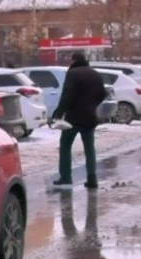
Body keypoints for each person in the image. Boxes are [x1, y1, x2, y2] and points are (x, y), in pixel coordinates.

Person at [51, 52, 108, 189]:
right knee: (89, 148)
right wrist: (92, 105)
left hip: (74, 117)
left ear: (73, 60)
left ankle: (66, 177)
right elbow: (103, 93)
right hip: (90, 117)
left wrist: (59, 113)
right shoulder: (95, 73)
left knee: (65, 146)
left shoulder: (73, 73)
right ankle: (92, 178)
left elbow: (67, 95)